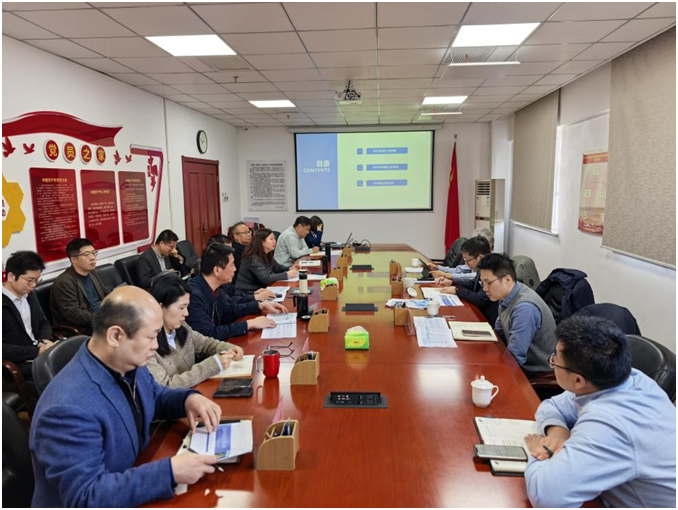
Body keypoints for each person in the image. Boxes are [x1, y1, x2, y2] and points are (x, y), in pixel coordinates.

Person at [29, 286, 222, 507]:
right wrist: (169, 472)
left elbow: (153, 395)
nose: (156, 345)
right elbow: (86, 497)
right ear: (115, 336)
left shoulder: (124, 360)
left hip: (134, 468)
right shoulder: (65, 409)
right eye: (151, 337)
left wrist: (187, 399)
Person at [523, 315, 676, 508]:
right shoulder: (629, 379)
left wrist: (539, 450)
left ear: (578, 380)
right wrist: (557, 432)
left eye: (555, 360)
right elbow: (553, 405)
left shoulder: (610, 422)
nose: (552, 362)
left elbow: (547, 497)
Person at [147, 274, 244, 388]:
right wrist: (212, 365)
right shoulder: (147, 346)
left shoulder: (182, 327)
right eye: (181, 308)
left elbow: (205, 344)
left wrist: (228, 348)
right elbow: (167, 386)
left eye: (187, 307)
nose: (186, 313)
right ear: (160, 307)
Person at [475, 253, 556, 374]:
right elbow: (499, 334)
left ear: (507, 280)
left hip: (534, 372)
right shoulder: (506, 294)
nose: (485, 289)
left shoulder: (524, 308)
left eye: (488, 283)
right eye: (482, 283)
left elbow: (515, 358)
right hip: (516, 361)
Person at [186, 243, 285, 340]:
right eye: (232, 265)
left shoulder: (214, 288)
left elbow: (229, 311)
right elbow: (209, 334)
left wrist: (259, 306)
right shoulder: (193, 296)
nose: (235, 269)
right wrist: (249, 324)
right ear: (217, 270)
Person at [2, 251, 54, 392]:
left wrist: (45, 340)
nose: (33, 285)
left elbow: (43, 322)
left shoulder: (29, 295)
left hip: (38, 352)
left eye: (37, 280)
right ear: (11, 276)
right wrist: (36, 351)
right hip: (16, 363)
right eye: (30, 280)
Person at [50, 238, 109, 335]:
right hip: (85, 327)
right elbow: (73, 313)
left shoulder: (92, 273)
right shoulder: (64, 282)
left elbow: (105, 292)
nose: (92, 257)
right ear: (73, 259)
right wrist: (102, 319)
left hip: (102, 316)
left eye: (94, 253)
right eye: (86, 254)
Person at [435, 237, 499, 325]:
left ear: (480, 257)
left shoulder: (491, 272)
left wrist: (457, 290)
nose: (466, 264)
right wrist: (452, 282)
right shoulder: (482, 267)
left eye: (467, 260)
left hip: (486, 319)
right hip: (478, 313)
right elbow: (473, 284)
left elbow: (479, 299)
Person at [204, 233, 275, 302]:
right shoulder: (208, 289)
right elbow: (229, 304)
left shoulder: (225, 279)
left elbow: (234, 296)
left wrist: (254, 294)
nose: (235, 269)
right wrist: (255, 297)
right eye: (227, 251)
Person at [235, 229, 299, 296]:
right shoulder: (253, 258)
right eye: (271, 239)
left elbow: (277, 268)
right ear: (262, 242)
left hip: (261, 290)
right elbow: (266, 278)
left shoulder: (267, 254)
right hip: (248, 294)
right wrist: (287, 274)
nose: (274, 241)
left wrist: (290, 268)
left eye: (274, 239)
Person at [428, 227, 495, 281]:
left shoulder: (492, 264)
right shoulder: (472, 259)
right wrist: (437, 267)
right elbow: (458, 270)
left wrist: (448, 275)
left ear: (489, 245)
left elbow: (475, 276)